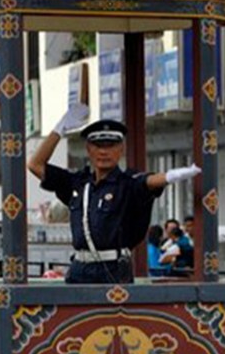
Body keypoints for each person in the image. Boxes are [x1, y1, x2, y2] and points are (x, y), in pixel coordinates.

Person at [28, 109, 201, 284]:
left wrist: (171, 176)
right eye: (98, 145)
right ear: (89, 149)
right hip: (79, 268)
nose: (104, 152)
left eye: (110, 145)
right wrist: (60, 128)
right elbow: (35, 164)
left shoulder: (126, 183)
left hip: (113, 269)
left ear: (121, 149)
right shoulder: (79, 182)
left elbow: (148, 181)